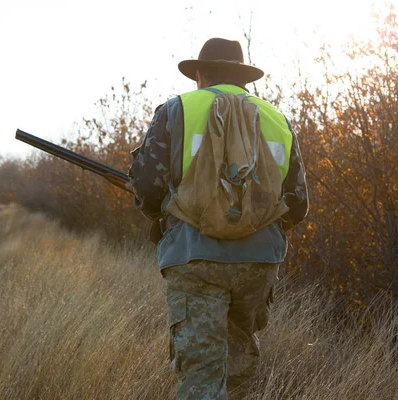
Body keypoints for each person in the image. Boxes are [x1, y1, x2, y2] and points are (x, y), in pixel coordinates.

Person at [128, 38, 309, 399]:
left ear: (199, 74)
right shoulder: (277, 119)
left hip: (194, 259)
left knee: (202, 379)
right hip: (258, 265)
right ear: (244, 78)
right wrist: (254, 228)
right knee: (238, 371)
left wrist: (167, 216)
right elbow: (299, 204)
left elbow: (147, 186)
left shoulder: (175, 111)